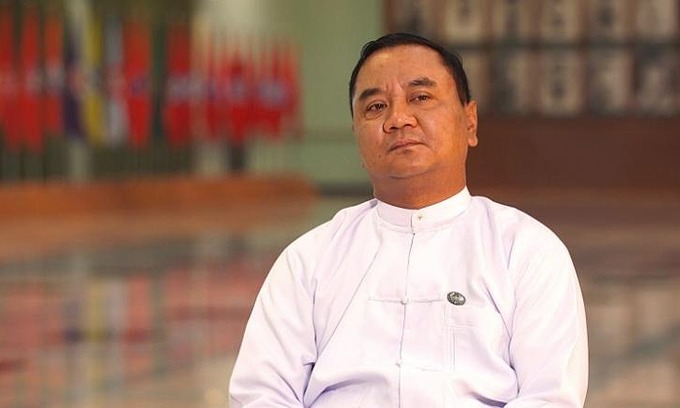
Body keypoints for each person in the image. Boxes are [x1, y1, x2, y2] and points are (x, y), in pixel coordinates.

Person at [229, 33, 588, 407]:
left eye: (421, 97)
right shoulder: (309, 261)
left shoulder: (526, 252)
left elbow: (550, 397)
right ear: (356, 135)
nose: (398, 119)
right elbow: (261, 395)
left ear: (469, 122)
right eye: (376, 107)